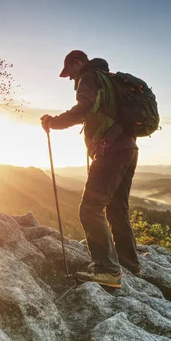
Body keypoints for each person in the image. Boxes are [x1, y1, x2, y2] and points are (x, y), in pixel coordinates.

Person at [40, 50, 141, 288]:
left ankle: (107, 270)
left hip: (111, 150)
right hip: (128, 148)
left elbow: (84, 107)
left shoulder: (89, 78)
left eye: (70, 73)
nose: (70, 79)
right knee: (118, 209)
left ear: (77, 63)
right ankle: (129, 264)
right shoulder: (110, 81)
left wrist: (54, 122)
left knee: (90, 208)